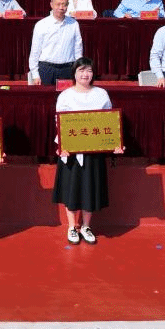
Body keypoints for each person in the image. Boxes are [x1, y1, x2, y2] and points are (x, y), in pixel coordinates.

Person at [54, 57, 122, 245]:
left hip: (93, 151)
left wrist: (114, 143)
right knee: (71, 189)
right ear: (74, 73)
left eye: (89, 70)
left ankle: (86, 226)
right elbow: (59, 122)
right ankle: (71, 227)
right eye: (81, 70)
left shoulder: (101, 94)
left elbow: (109, 122)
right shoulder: (65, 95)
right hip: (71, 152)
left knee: (89, 189)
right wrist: (63, 146)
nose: (85, 74)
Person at [29, 0, 83, 87]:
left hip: (67, 69)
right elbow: (35, 52)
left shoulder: (73, 24)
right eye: (58, 4)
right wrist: (35, 74)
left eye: (64, 4)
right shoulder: (41, 25)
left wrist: (79, 70)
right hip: (46, 69)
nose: (61, 7)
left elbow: (78, 49)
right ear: (51, 5)